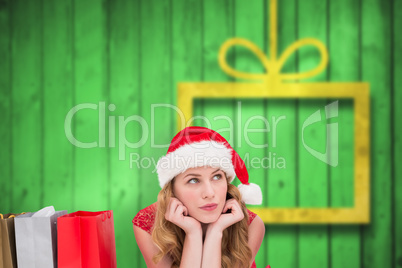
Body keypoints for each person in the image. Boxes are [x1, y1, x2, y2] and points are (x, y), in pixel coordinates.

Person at [133, 126, 265, 268]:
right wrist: (193, 234)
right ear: (172, 190)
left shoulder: (250, 225)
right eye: (193, 180)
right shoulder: (148, 224)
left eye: (216, 176)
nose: (209, 193)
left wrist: (215, 231)